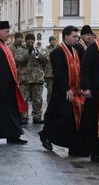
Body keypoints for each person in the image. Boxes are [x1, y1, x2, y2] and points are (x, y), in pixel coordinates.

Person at [39, 25, 87, 156]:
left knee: (74, 119)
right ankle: (46, 135)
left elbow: (80, 70)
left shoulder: (77, 50)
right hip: (62, 91)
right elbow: (59, 74)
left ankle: (75, 147)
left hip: (76, 91)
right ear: (66, 36)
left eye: (77, 36)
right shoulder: (57, 52)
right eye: (74, 36)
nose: (77, 39)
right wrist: (67, 89)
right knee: (63, 117)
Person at [79, 25, 99, 163]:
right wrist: (86, 87)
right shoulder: (94, 47)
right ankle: (95, 151)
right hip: (96, 92)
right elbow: (85, 68)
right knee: (94, 122)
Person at [15, 34, 47, 124]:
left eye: (32, 39)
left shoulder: (39, 49)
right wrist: (28, 53)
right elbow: (18, 60)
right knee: (24, 99)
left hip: (37, 79)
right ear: (25, 40)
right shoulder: (20, 50)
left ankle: (37, 117)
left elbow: (46, 60)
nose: (30, 41)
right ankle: (23, 117)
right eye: (28, 39)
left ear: (34, 40)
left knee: (38, 100)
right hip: (25, 79)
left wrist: (38, 53)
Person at [44, 36, 58, 104]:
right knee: (50, 91)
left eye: (54, 40)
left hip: (58, 74)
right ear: (49, 41)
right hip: (49, 74)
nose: (53, 41)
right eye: (52, 40)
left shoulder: (59, 48)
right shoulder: (46, 49)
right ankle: (49, 104)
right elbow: (46, 58)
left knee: (57, 91)